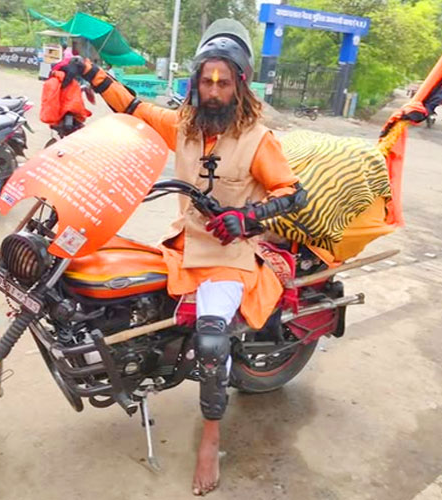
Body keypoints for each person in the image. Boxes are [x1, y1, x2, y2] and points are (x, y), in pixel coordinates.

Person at [65, 18, 305, 495]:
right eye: (206, 80)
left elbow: (294, 194)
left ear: (240, 84)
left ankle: (210, 441)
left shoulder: (259, 140)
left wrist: (250, 217)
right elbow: (133, 106)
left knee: (213, 344)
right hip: (180, 246)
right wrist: (89, 72)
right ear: (195, 82)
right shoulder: (184, 127)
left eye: (223, 81)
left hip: (228, 257)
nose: (213, 90)